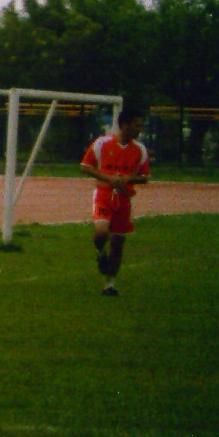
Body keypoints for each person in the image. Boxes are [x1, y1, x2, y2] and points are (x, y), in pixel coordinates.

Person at [83, 109, 152, 297]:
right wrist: (108, 178)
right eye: (137, 125)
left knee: (118, 242)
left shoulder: (139, 149)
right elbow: (85, 166)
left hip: (124, 199)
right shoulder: (102, 143)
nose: (139, 129)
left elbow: (145, 177)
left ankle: (110, 284)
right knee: (101, 232)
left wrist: (128, 179)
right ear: (125, 124)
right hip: (104, 195)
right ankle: (100, 252)